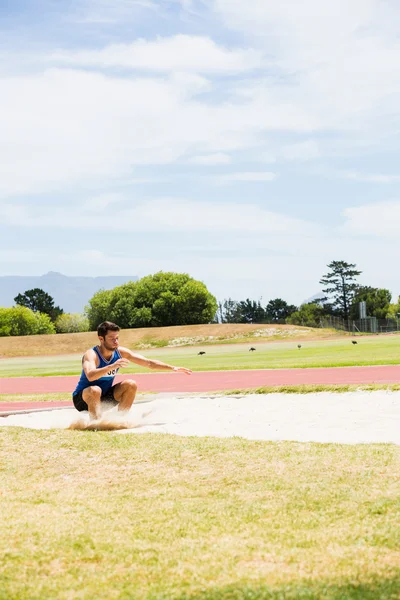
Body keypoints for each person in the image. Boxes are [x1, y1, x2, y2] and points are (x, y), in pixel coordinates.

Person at [72, 321, 192, 420]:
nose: (116, 342)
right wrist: (111, 366)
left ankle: (119, 420)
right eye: (112, 338)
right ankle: (95, 424)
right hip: (83, 400)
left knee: (130, 384)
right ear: (101, 339)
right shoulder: (91, 354)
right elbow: (90, 376)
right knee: (95, 390)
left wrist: (172, 368)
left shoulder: (120, 352)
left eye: (117, 338)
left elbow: (148, 363)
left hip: (104, 397)